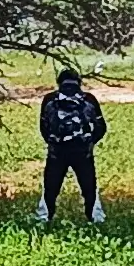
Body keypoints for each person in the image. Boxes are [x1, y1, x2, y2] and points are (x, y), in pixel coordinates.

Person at [36, 67, 107, 223]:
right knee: (89, 188)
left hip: (57, 153)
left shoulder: (49, 100)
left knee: (50, 188)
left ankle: (44, 218)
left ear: (58, 82)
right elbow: (101, 127)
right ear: (79, 82)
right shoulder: (89, 100)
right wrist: (89, 143)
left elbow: (43, 127)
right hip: (82, 152)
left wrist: (54, 143)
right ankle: (96, 218)